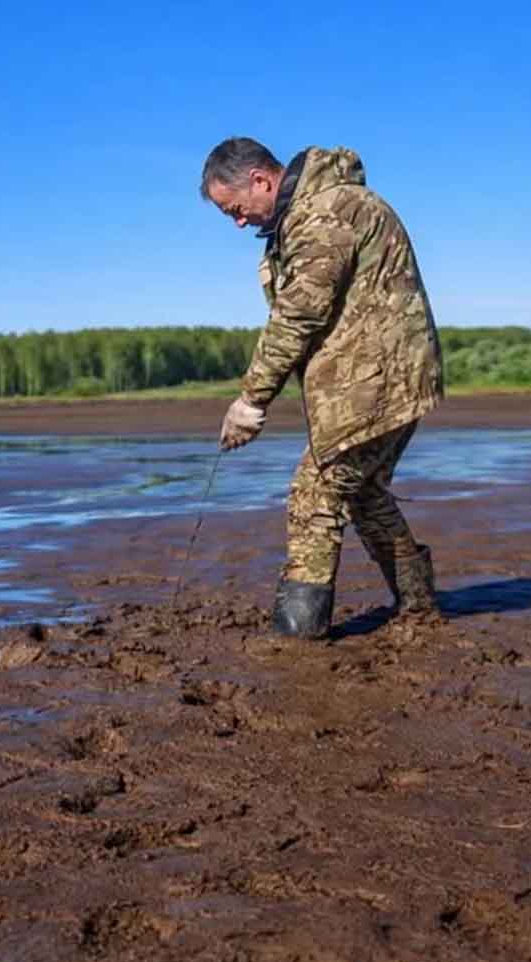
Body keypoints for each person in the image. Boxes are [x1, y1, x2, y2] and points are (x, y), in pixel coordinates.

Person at [200, 137, 443, 638]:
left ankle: (299, 633)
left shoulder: (325, 212)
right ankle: (419, 606)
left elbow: (299, 314)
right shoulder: (313, 212)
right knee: (363, 491)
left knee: (315, 494)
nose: (239, 222)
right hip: (382, 377)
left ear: (262, 181)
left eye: (235, 209)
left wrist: (251, 400)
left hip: (378, 379)